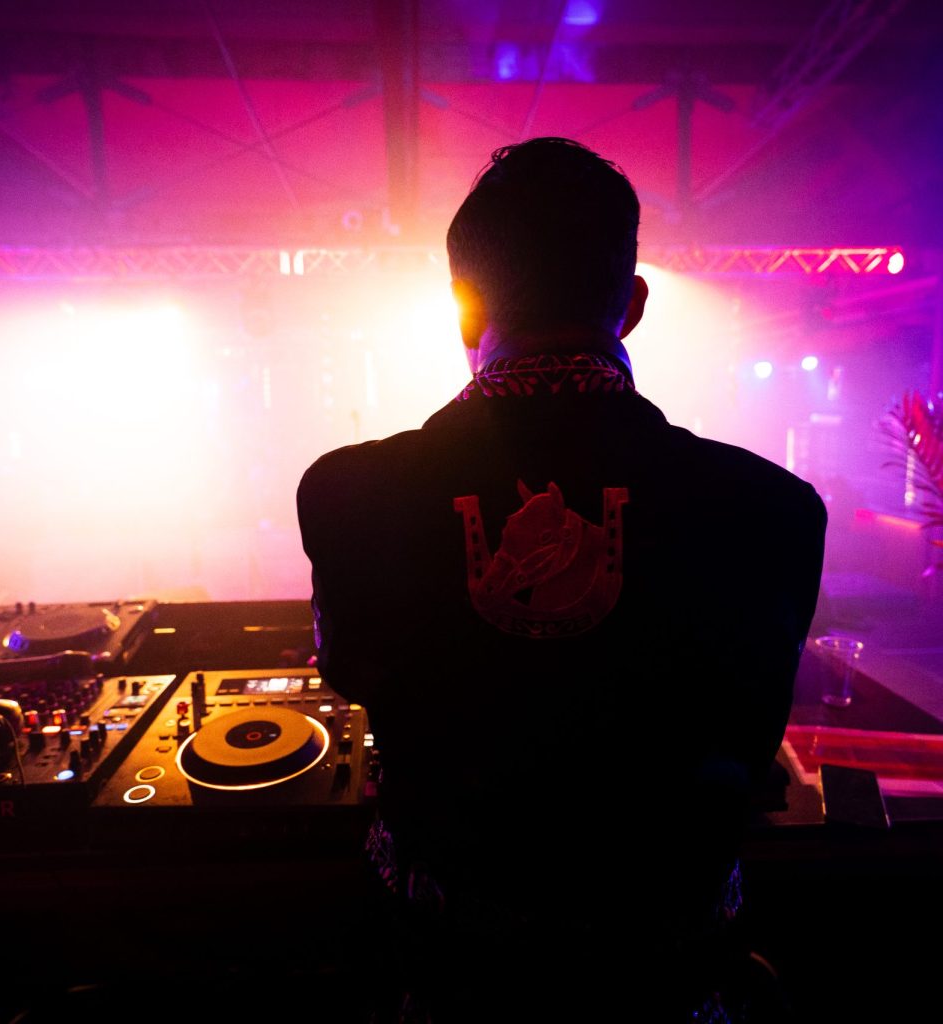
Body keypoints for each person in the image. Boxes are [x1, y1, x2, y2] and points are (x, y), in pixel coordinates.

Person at [297, 137, 826, 1022]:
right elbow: (744, 724)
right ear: (634, 304)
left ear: (466, 314)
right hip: (672, 991)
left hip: (444, 984)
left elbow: (359, 672)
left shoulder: (347, 494)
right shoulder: (773, 508)